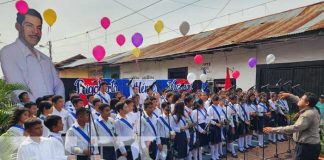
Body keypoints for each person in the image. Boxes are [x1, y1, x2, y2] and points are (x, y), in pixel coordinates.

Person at [0, 9, 65, 103]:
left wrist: (57, 107)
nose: (35, 31)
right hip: (29, 114)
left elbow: (58, 85)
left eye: (39, 27)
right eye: (29, 25)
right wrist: (39, 111)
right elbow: (18, 88)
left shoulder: (45, 59)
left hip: (53, 113)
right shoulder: (8, 52)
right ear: (18, 26)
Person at [263, 92, 321, 160]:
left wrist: (272, 130)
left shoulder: (308, 115)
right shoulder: (313, 108)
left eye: (301, 99)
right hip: (312, 146)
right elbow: (297, 99)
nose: (299, 99)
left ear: (307, 103)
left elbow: (293, 128)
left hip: (307, 148)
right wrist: (289, 95)